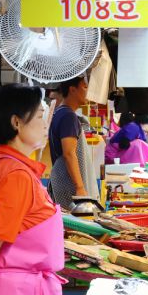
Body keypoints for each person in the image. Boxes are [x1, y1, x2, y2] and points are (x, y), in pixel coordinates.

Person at [0, 84, 65, 295]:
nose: (45, 123)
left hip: (21, 294)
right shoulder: (16, 176)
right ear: (16, 122)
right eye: (39, 117)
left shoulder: (11, 166)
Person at [48, 76, 98, 209]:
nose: (88, 91)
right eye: (84, 87)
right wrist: (80, 188)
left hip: (62, 184)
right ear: (72, 89)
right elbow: (69, 153)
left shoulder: (60, 112)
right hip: (69, 188)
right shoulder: (68, 116)